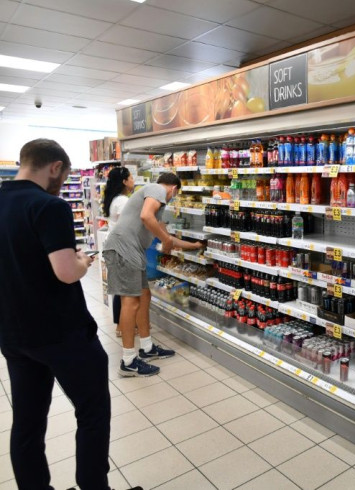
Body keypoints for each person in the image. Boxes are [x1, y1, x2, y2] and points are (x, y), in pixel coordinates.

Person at [0, 139, 112, 489]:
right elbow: (66, 272)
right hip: (62, 334)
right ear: (55, 167)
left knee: (27, 424)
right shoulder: (49, 206)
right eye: (63, 176)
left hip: (14, 335)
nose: (62, 184)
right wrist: (82, 260)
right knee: (93, 413)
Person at [104, 172, 203, 377]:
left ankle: (147, 348)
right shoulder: (157, 189)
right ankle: (128, 361)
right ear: (174, 189)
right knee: (130, 302)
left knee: (144, 296)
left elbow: (167, 237)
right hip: (123, 249)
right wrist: (166, 240)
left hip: (133, 251)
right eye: (174, 195)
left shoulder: (155, 207)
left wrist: (194, 246)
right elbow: (146, 217)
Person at [102, 167, 135, 337]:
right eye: (131, 177)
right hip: (121, 247)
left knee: (120, 288)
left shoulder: (113, 198)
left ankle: (121, 325)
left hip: (113, 245)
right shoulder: (122, 200)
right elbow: (126, 225)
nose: (133, 180)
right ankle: (122, 327)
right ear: (124, 181)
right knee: (124, 290)